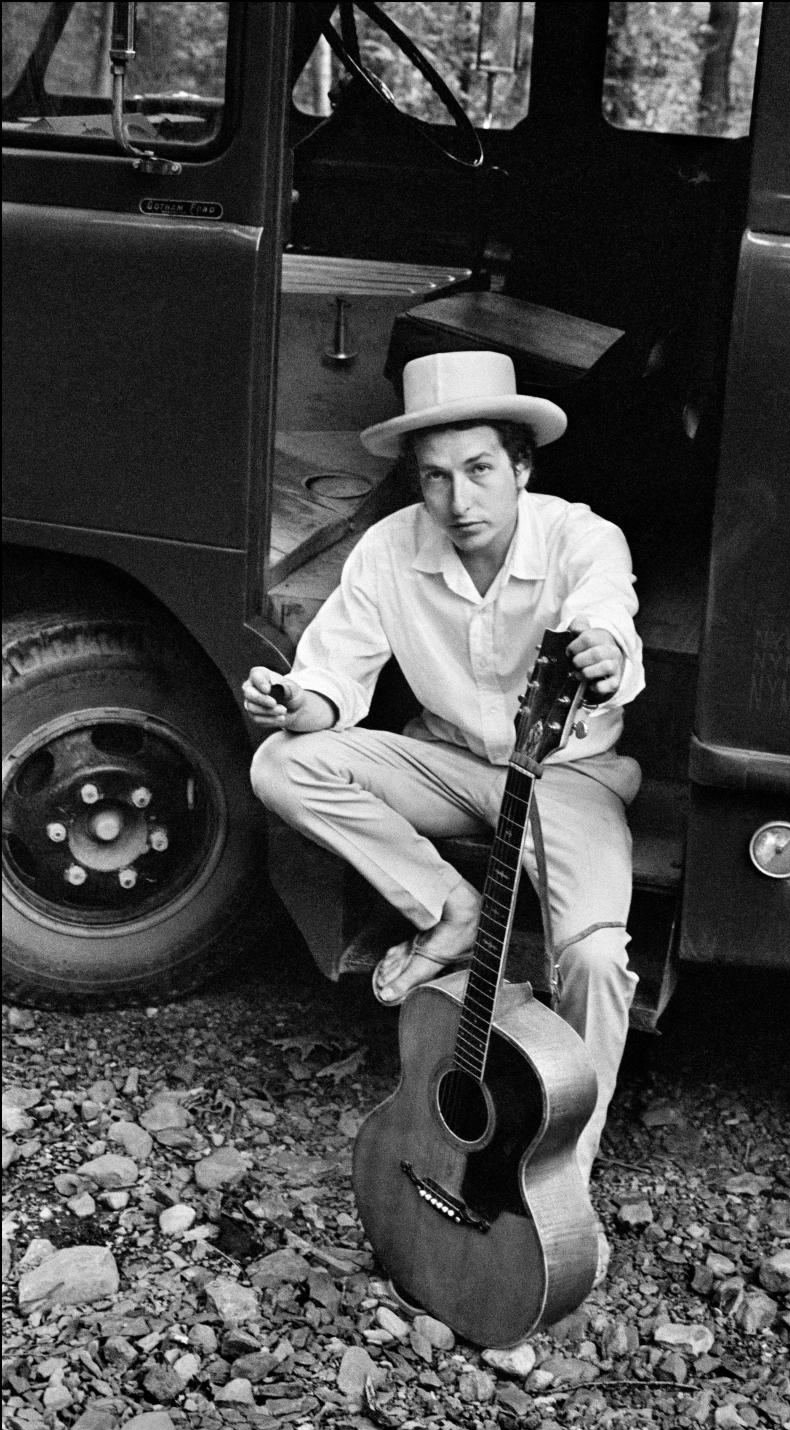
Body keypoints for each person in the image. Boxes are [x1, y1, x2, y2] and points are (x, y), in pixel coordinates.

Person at [244, 350, 644, 1283]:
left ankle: (559, 1184)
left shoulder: (584, 538)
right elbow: (333, 676)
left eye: (479, 470)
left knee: (593, 955)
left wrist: (597, 653)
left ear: (522, 467)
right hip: (451, 760)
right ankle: (449, 910)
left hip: (565, 773)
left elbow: (611, 629)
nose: (458, 498)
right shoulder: (391, 547)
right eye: (435, 476)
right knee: (283, 765)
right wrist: (293, 702)